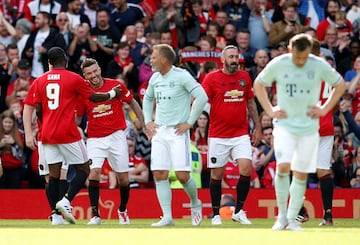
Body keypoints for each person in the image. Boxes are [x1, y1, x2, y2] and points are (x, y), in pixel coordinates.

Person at [253, 33, 346, 231]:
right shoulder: (279, 63)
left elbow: (340, 84)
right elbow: (258, 84)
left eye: (305, 57)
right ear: (289, 50)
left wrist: (325, 108)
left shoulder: (318, 64)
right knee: (284, 166)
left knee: (301, 174)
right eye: (298, 57)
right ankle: (281, 217)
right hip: (285, 125)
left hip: (309, 128)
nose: (302, 61)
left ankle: (293, 218)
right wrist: (270, 110)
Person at [22, 47, 121, 224]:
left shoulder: (39, 81)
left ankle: (55, 216)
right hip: (68, 132)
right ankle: (66, 201)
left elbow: (32, 107)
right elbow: (95, 97)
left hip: (47, 134)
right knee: (84, 169)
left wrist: (30, 132)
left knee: (52, 176)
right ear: (66, 61)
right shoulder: (74, 78)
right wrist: (112, 93)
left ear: (50, 63)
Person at [142, 43, 208, 226]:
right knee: (159, 173)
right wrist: (148, 121)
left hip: (178, 131)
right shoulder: (155, 78)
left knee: (182, 175)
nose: (150, 59)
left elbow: (202, 96)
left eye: (153, 57)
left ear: (163, 59)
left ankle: (196, 203)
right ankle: (167, 217)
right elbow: (147, 99)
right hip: (160, 131)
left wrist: (190, 121)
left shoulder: (182, 76)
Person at [78, 58, 144, 225]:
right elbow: (77, 118)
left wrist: (143, 122)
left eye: (95, 71)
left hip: (117, 136)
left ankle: (122, 210)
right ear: (85, 76)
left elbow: (132, 102)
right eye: (89, 73)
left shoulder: (116, 85)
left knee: (123, 179)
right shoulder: (84, 92)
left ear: (99, 69)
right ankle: (95, 215)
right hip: (95, 138)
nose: (94, 75)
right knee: (94, 173)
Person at [201, 45, 262, 226]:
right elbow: (200, 100)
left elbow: (251, 103)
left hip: (240, 133)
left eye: (236, 57)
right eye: (231, 57)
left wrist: (257, 127)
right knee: (217, 175)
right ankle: (215, 214)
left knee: (246, 169)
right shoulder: (211, 78)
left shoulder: (244, 77)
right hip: (218, 135)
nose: (235, 60)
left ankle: (239, 211)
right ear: (223, 59)